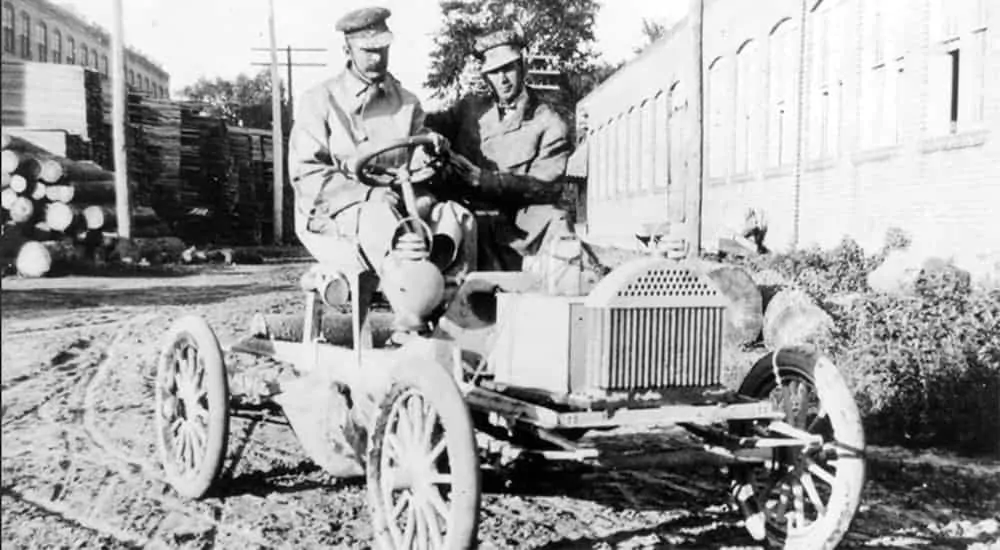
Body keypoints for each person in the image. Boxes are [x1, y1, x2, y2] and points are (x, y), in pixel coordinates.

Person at [288, 6, 477, 322]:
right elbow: (307, 174)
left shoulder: (407, 103)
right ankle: (408, 312)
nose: (377, 58)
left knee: (456, 216)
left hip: (402, 204)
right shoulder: (319, 102)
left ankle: (457, 307)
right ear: (347, 49)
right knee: (380, 218)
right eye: (368, 51)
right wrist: (367, 195)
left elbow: (417, 156)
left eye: (383, 49)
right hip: (335, 214)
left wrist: (431, 154)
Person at [425, 28, 583, 285]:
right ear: (486, 76)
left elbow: (545, 186)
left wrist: (483, 180)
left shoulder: (548, 122)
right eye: (495, 72)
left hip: (517, 223)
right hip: (466, 220)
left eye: (509, 68)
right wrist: (431, 135)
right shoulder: (469, 110)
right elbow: (429, 125)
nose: (503, 79)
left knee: (557, 220)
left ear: (522, 68)